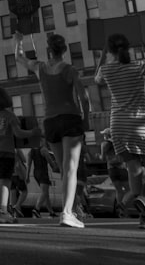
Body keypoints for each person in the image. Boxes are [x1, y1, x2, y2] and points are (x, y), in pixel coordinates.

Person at [15, 32, 90, 229]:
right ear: (64, 50)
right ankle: (67, 213)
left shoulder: (40, 68)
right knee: (71, 167)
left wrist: (18, 41)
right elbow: (84, 98)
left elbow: (18, 58)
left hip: (50, 122)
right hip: (70, 119)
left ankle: (69, 211)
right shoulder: (70, 69)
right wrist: (87, 119)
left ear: (49, 50)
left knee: (64, 169)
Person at [95, 33, 145, 231]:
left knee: (134, 171)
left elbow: (96, 79)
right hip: (142, 124)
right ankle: (143, 198)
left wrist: (102, 55)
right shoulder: (138, 66)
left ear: (110, 51)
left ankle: (144, 217)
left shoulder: (106, 69)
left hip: (118, 126)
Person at [0, 86, 39, 224]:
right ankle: (3, 211)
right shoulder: (9, 115)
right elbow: (18, 133)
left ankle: (2, 209)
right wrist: (33, 132)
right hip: (6, 151)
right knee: (5, 181)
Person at [28, 137, 56, 218]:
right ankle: (36, 208)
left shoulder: (31, 151)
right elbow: (50, 161)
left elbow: (29, 164)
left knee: (46, 193)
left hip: (36, 173)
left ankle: (51, 211)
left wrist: (27, 176)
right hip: (43, 172)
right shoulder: (44, 149)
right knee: (44, 192)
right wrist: (55, 167)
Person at [9, 148, 29, 219]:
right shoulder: (17, 149)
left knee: (13, 192)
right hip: (18, 173)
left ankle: (13, 212)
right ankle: (17, 206)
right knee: (24, 192)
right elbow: (24, 159)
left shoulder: (7, 149)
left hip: (10, 173)